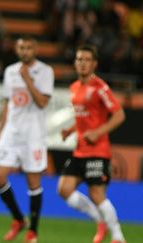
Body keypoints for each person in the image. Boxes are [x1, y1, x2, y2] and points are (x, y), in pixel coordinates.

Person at [58, 44, 126, 243]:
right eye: (79, 59)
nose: (82, 63)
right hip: (80, 150)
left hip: (98, 150)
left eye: (87, 60)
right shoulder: (74, 87)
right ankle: (100, 220)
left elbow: (119, 114)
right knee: (64, 189)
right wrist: (70, 130)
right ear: (75, 63)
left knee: (96, 193)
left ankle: (118, 237)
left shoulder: (100, 87)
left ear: (94, 64)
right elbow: (82, 118)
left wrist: (98, 132)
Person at [0, 36, 54, 243]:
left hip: (33, 134)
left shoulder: (45, 72)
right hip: (12, 131)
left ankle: (33, 230)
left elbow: (43, 102)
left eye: (28, 48)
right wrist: (0, 132)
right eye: (21, 48)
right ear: (17, 49)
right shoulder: (10, 71)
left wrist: (27, 79)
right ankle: (18, 218)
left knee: (33, 182)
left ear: (35, 48)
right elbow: (8, 104)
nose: (24, 51)